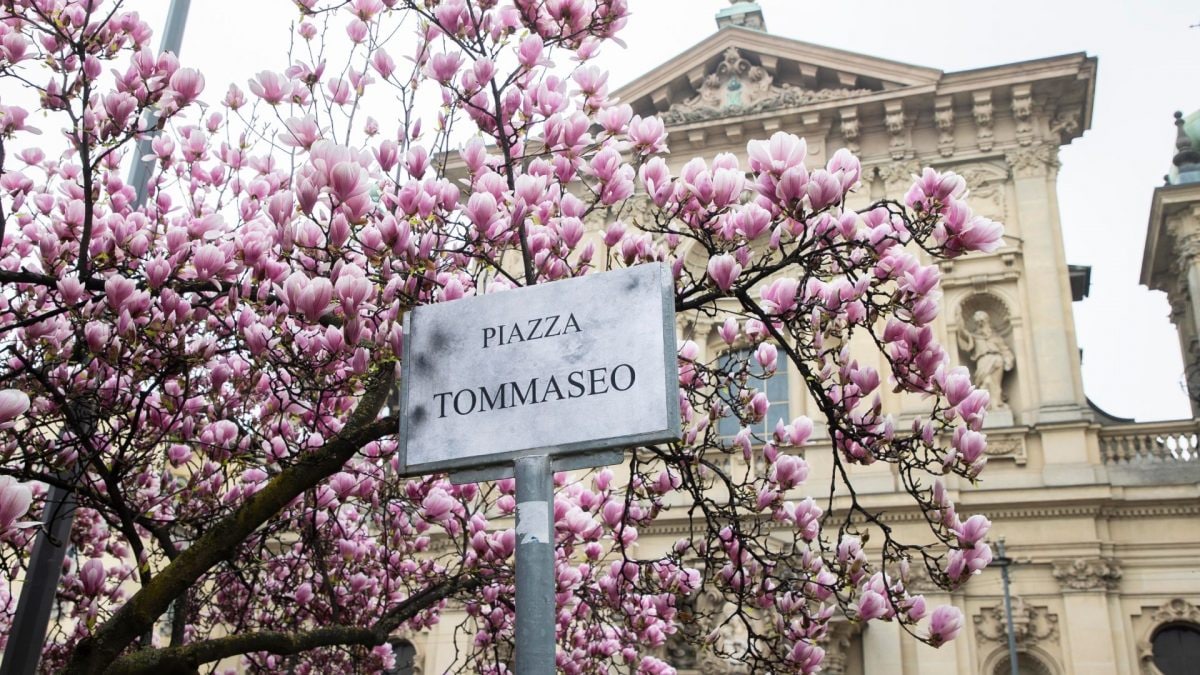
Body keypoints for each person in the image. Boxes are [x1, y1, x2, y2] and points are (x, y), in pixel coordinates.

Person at [957, 309, 1015, 409]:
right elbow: (962, 333)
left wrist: (1008, 358)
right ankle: (987, 406)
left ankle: (997, 404)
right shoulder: (974, 336)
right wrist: (959, 318)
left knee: (996, 384)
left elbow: (1004, 349)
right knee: (986, 382)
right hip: (983, 360)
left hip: (997, 360)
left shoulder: (995, 336)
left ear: (987, 321)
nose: (980, 323)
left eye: (982, 320)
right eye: (978, 322)